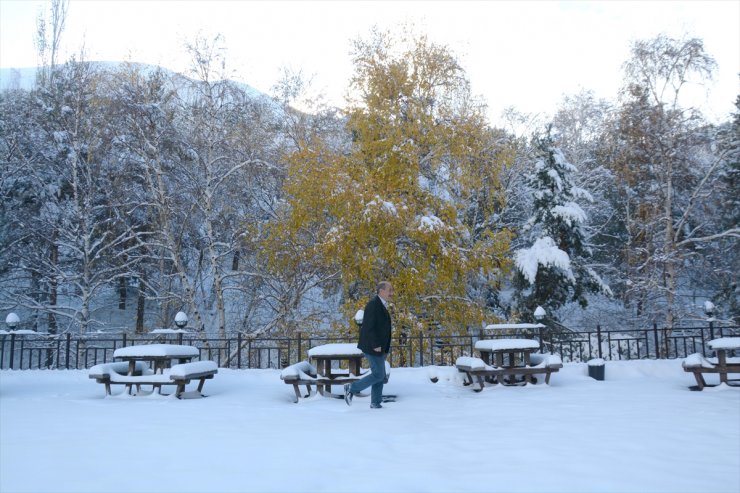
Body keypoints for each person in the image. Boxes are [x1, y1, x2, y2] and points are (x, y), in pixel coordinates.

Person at [344, 281, 394, 409]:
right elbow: (369, 327)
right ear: (381, 291)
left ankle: (375, 403)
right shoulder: (373, 305)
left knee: (380, 374)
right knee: (378, 375)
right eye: (390, 290)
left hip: (381, 347)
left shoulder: (381, 305)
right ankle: (351, 388)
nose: (391, 293)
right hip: (373, 347)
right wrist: (376, 345)